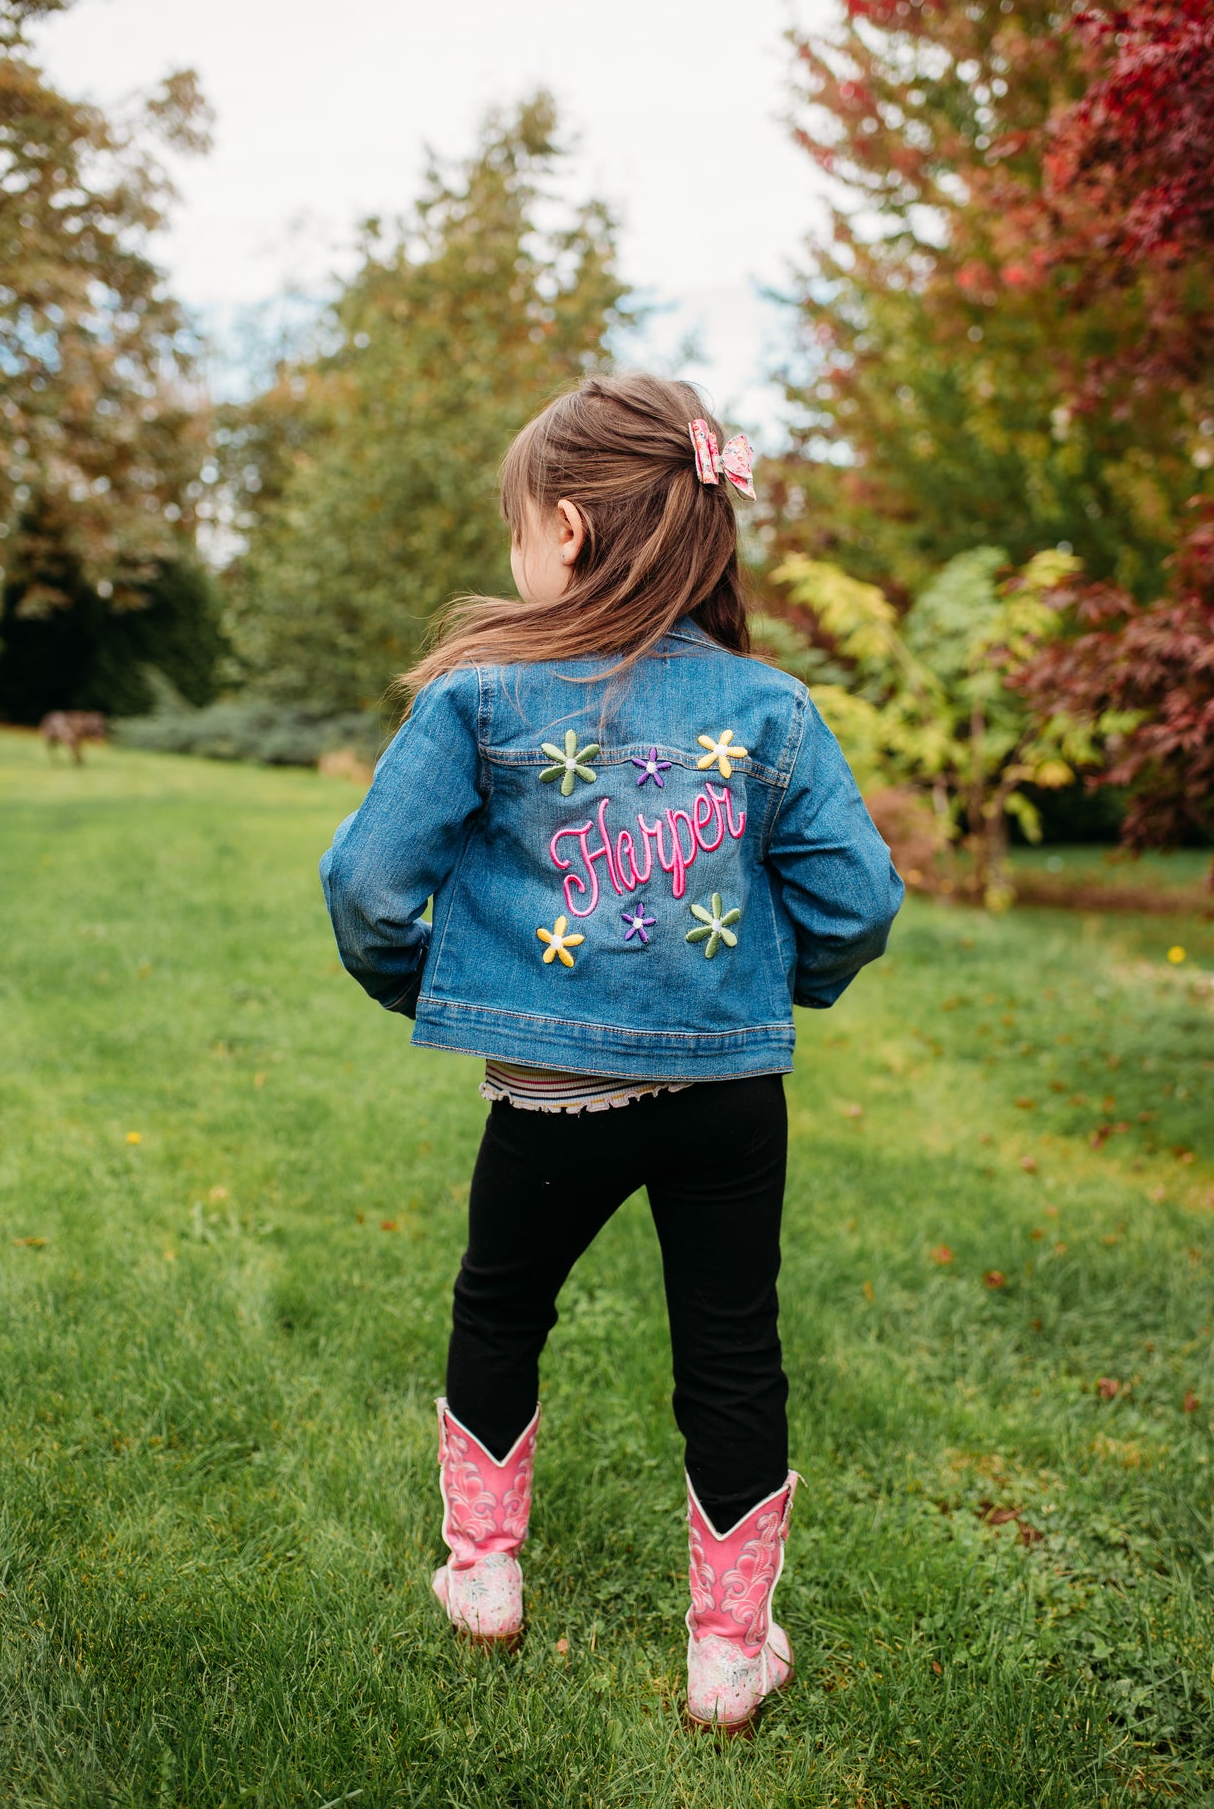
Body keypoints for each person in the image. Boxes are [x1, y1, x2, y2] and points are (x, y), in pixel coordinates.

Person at [320, 373, 902, 1732]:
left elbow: (366, 889)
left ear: (569, 531)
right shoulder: (774, 707)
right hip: (728, 1102)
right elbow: (859, 901)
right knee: (733, 1354)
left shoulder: (481, 697)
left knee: (501, 1308)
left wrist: (453, 990)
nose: (516, 552)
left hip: (547, 1099)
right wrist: (782, 990)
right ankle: (729, 1651)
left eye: (520, 524)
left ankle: (484, 1575)